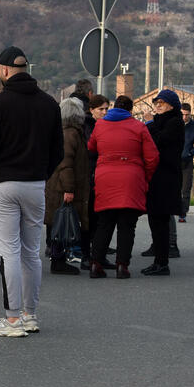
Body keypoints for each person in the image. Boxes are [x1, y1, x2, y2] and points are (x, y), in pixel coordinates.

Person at [0, 46, 63, 337]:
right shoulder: (50, 104)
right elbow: (57, 151)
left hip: (2, 185)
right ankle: (30, 314)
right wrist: (41, 175)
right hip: (35, 185)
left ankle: (11, 320)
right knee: (31, 253)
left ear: (3, 71)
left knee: (8, 252)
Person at [87, 95, 158, 279]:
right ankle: (122, 266)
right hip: (131, 179)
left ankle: (95, 264)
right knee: (127, 226)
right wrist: (145, 177)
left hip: (105, 178)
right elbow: (152, 157)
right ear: (130, 110)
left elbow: (91, 146)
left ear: (112, 108)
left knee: (104, 223)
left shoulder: (100, 125)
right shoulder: (139, 127)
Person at [142, 89, 185, 276]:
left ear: (171, 105)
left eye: (162, 102)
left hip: (166, 178)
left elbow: (158, 141)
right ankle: (158, 259)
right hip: (155, 177)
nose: (158, 105)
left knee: (161, 221)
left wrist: (149, 123)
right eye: (156, 102)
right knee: (155, 220)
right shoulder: (161, 121)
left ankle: (162, 262)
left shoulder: (175, 122)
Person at [44, 98, 89, 275]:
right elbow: (66, 163)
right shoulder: (70, 134)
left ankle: (59, 259)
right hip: (62, 188)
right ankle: (58, 260)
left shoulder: (62, 132)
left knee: (59, 224)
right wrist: (69, 189)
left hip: (56, 185)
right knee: (61, 224)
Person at [82, 94, 111, 270]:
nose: (104, 112)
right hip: (90, 175)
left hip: (103, 175)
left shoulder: (106, 124)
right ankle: (87, 255)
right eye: (101, 109)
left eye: (107, 109)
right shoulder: (87, 125)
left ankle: (99, 255)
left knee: (103, 219)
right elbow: (89, 150)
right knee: (90, 218)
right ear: (91, 110)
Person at [179, 102, 194, 223]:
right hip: (173, 162)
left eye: (187, 115)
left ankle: (182, 214)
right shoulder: (174, 125)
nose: (184, 117)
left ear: (190, 114)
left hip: (187, 163)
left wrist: (190, 153)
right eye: (182, 114)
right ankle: (170, 210)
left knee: (185, 189)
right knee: (172, 188)